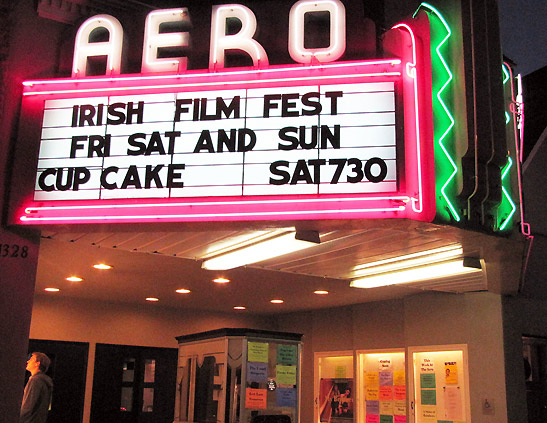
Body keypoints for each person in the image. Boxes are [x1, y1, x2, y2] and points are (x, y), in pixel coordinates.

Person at [20, 352, 53, 423]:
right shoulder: (44, 381)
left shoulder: (35, 380)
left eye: (31, 359)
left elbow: (28, 406)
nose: (28, 361)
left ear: (37, 363)